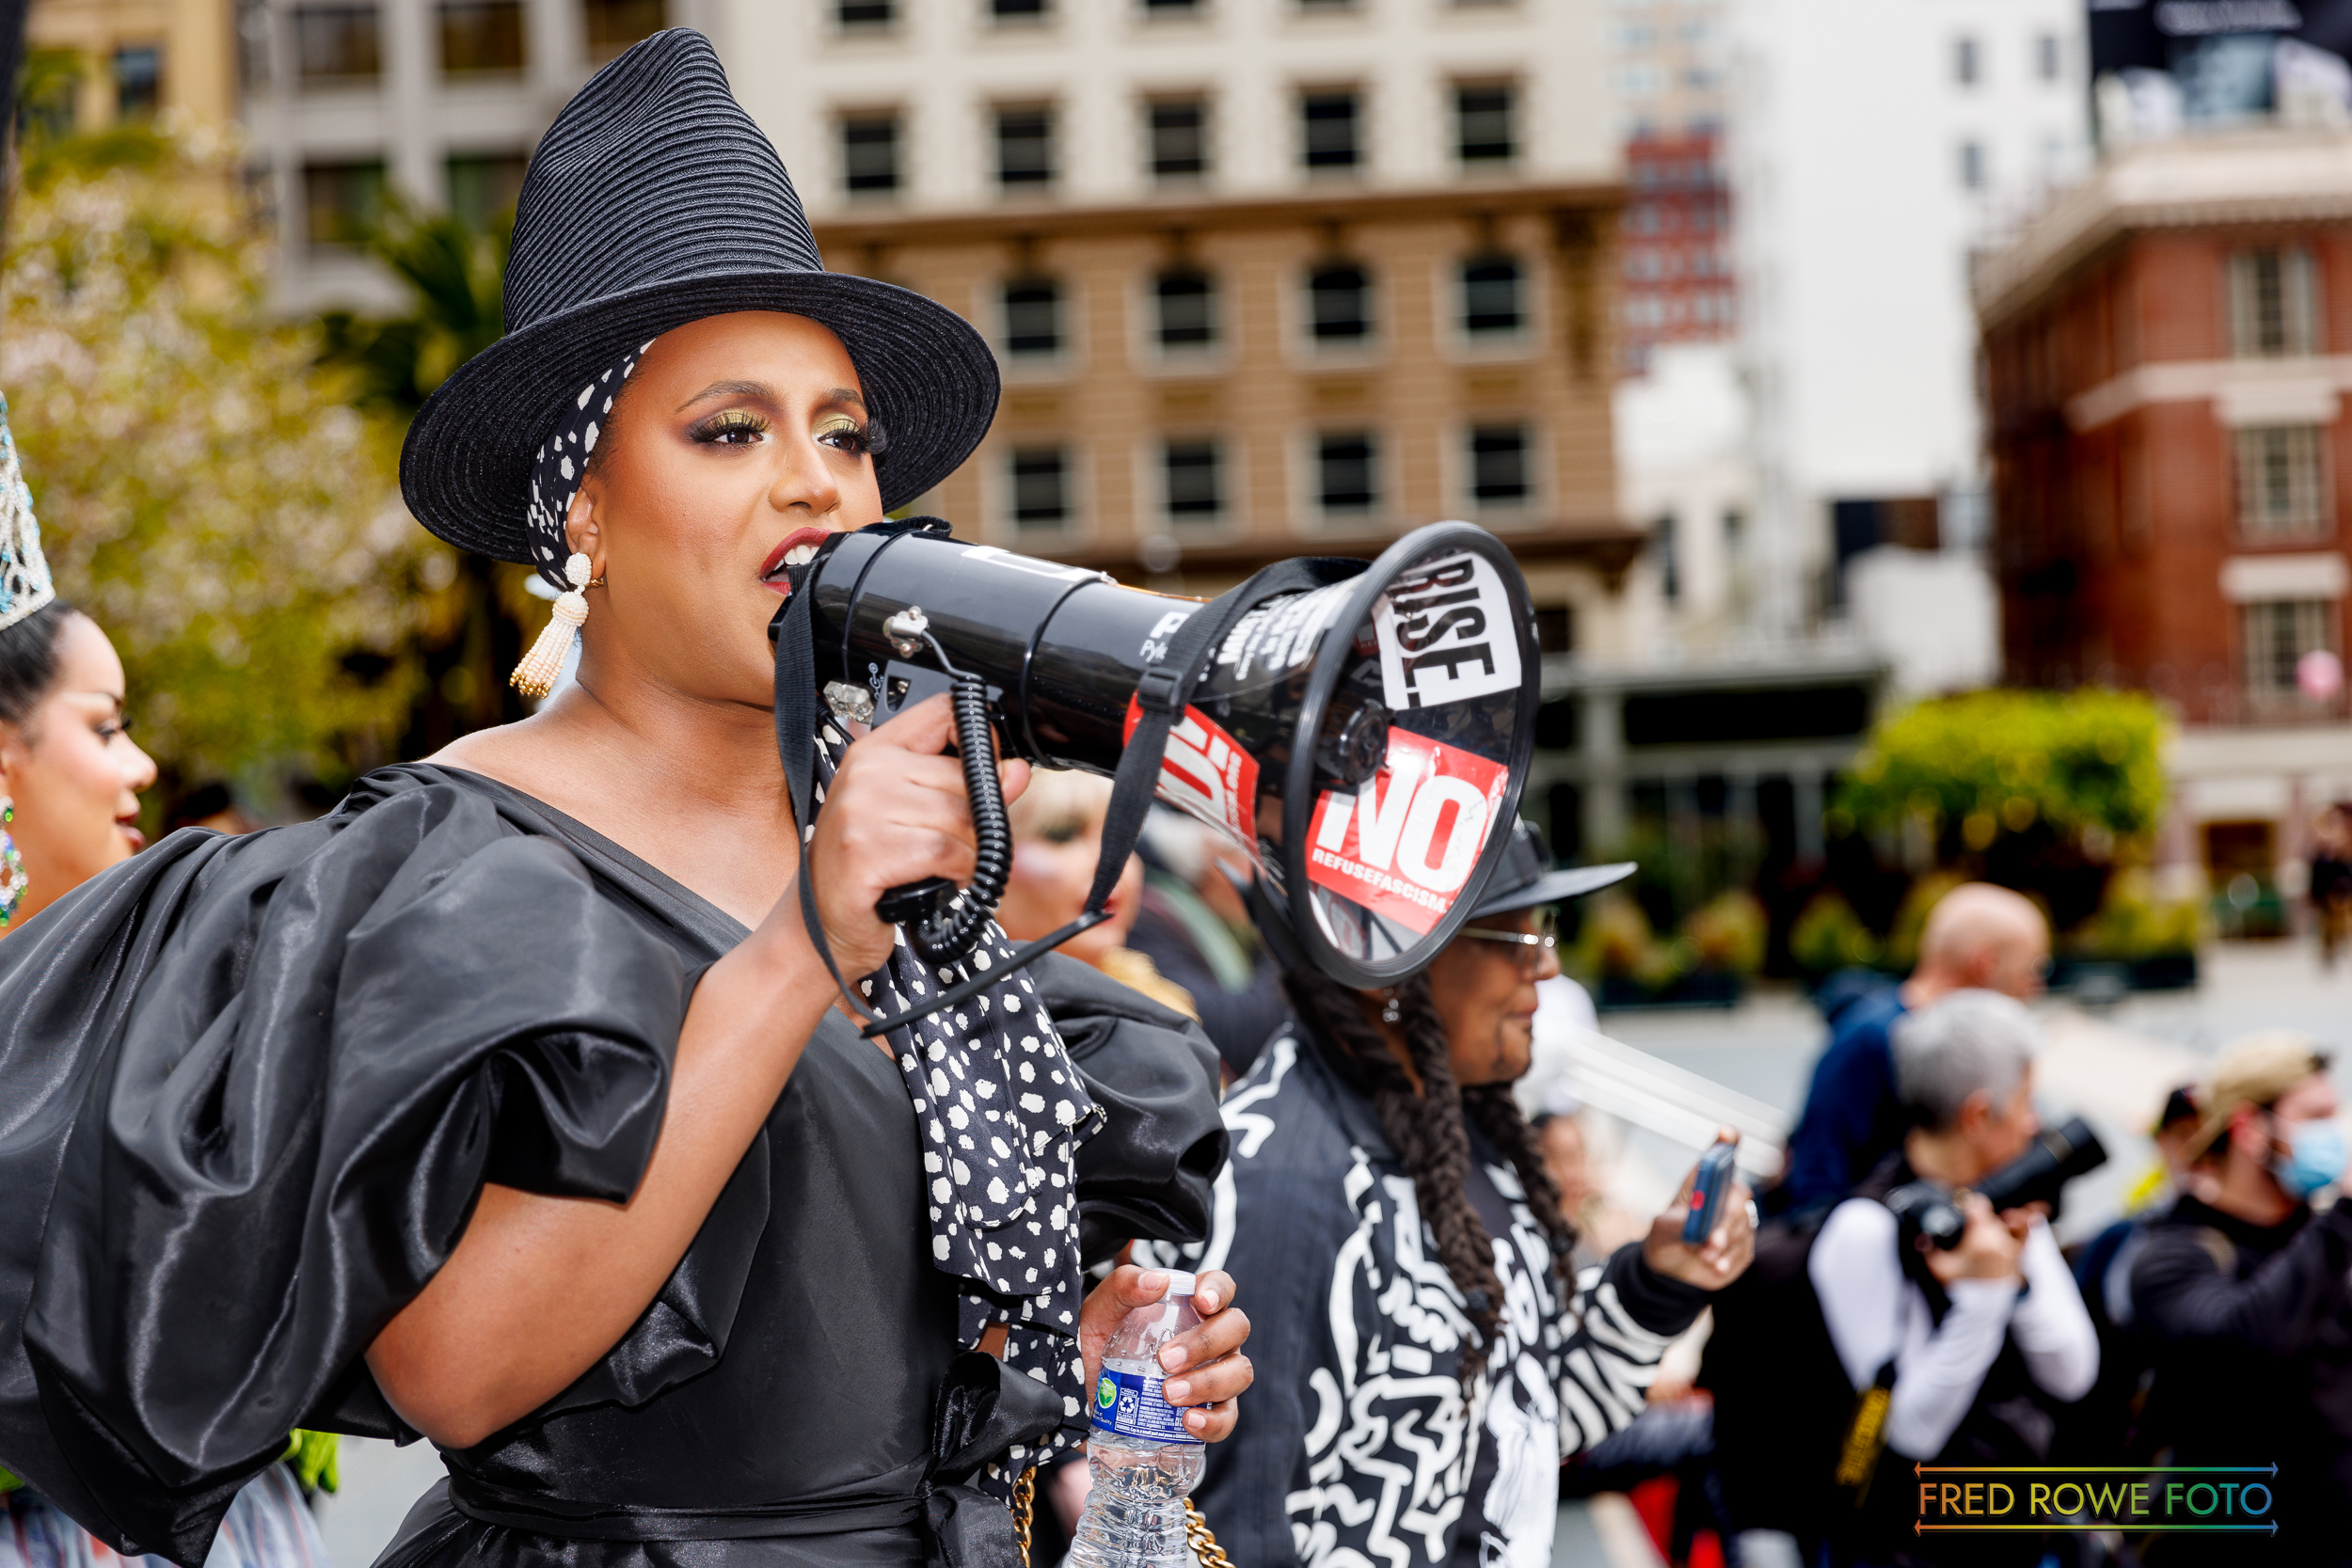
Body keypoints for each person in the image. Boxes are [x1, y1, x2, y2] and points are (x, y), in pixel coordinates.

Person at [0, 33, 1249, 1568]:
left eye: (843, 432)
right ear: (581, 505)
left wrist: (1110, 1416)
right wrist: (804, 946)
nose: (817, 481)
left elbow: (1005, 1474)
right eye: (732, 429)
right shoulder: (459, 851)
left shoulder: (892, 844)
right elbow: (455, 1368)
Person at [1187, 822, 1756, 1567]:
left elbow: (1523, 1428)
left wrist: (1658, 1283)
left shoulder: (1458, 1125)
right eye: (1514, 937)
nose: (1548, 965)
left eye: (1543, 928)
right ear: (1394, 965)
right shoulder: (1279, 1182)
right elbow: (1229, 1537)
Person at [1805, 990, 2098, 1565]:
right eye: (2025, 1100)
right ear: (1979, 1115)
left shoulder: (2005, 1206)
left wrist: (2017, 1280)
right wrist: (1983, 1295)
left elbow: (2074, 1373)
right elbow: (1912, 1431)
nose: (2036, 1121)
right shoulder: (1863, 1229)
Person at [2130, 1034, 2352, 1560]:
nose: (2336, 1134)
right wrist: (2345, 1212)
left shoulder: (2325, 1238)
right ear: (2250, 1130)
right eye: (2315, 1117)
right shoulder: (2173, 1255)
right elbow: (2242, 1343)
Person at [1777, 883, 2049, 1213]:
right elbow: (1817, 1185)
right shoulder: (1869, 1041)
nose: (2035, 989)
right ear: (1985, 963)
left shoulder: (1981, 1042)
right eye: (2033, 969)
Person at [998, 768, 1196, 1018]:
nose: (1109, 862)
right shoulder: (953, 1015)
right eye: (1063, 834)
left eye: (1122, 837)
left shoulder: (1158, 1000)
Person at [1128, 807, 1289, 1077]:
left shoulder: (1232, 924)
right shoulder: (1146, 919)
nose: (1266, 875)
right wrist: (1285, 934)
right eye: (1253, 857)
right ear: (1211, 861)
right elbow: (1229, 1034)